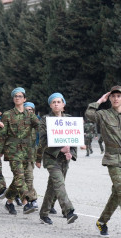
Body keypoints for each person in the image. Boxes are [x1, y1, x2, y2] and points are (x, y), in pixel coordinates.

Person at [85, 85, 121, 238]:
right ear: (110, 98)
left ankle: (102, 222)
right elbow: (89, 114)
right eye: (113, 96)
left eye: (119, 96)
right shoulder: (103, 114)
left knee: (117, 194)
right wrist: (99, 101)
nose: (116, 98)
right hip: (112, 158)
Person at [0, 87, 40, 215]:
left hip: (27, 151)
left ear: (24, 99)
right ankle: (26, 203)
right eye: (15, 96)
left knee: (18, 179)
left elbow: (40, 126)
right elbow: (2, 135)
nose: (17, 98)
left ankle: (9, 202)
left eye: (20, 96)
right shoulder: (8, 115)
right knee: (20, 176)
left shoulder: (30, 115)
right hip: (13, 151)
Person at [36, 93, 78, 225]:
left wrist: (71, 152)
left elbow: (74, 138)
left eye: (58, 102)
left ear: (63, 104)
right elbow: (43, 141)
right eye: (53, 102)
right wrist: (59, 149)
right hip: (51, 158)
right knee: (59, 184)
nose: (56, 104)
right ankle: (68, 211)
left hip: (64, 160)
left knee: (53, 187)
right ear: (50, 105)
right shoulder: (45, 119)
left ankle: (43, 213)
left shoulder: (69, 119)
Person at [23, 102, 39, 209]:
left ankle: (31, 199)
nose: (29, 111)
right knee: (23, 178)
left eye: (31, 110)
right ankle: (30, 198)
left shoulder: (37, 123)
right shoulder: (18, 121)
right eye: (26, 109)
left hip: (30, 155)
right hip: (18, 154)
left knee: (27, 177)